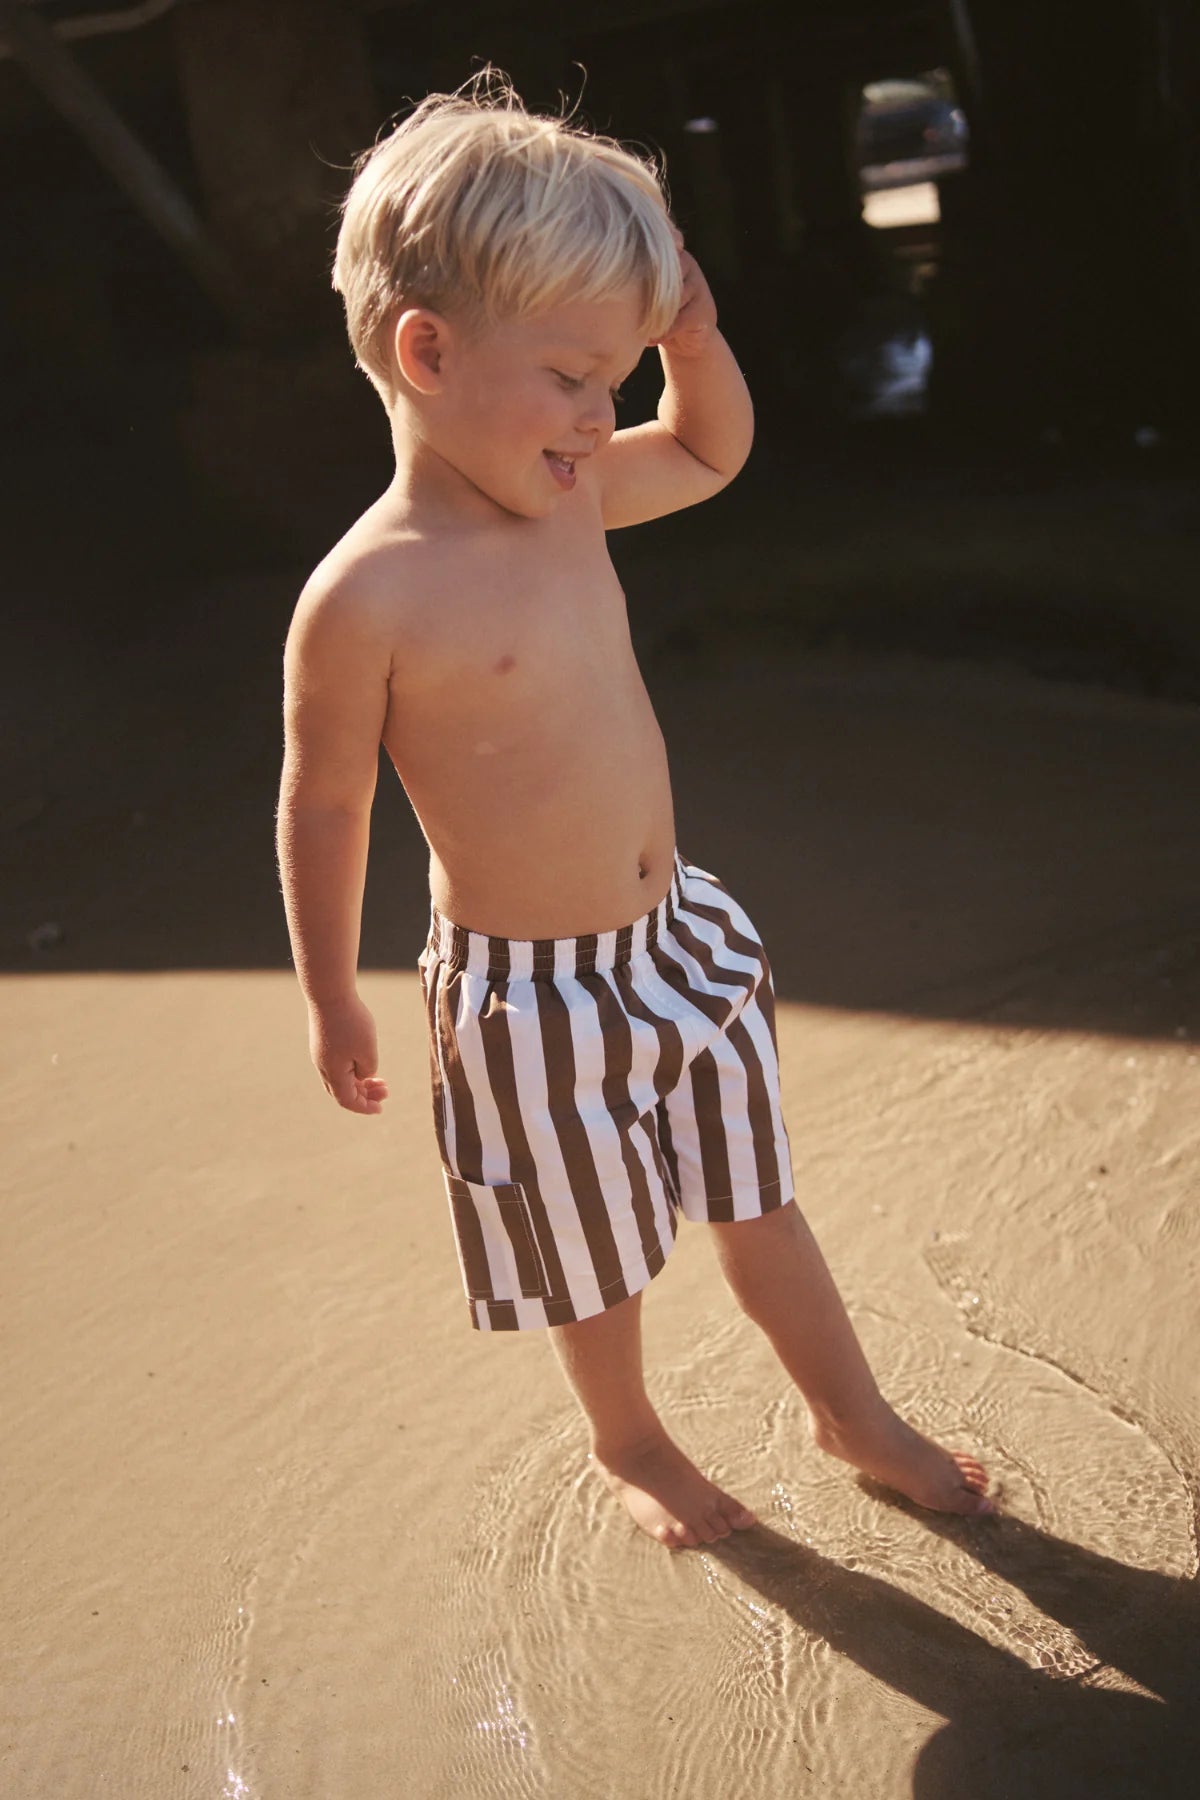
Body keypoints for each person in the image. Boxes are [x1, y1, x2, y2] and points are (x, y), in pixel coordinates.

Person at [276, 70, 994, 1550]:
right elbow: (325, 803)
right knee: (592, 1260)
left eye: (618, 376)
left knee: (760, 1199)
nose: (606, 413)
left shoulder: (576, 490)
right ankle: (633, 1439)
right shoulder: (365, 598)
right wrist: (331, 996)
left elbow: (716, 451)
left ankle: (850, 1412)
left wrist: (699, 338)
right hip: (529, 1000)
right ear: (426, 351)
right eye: (572, 375)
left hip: (681, 942)